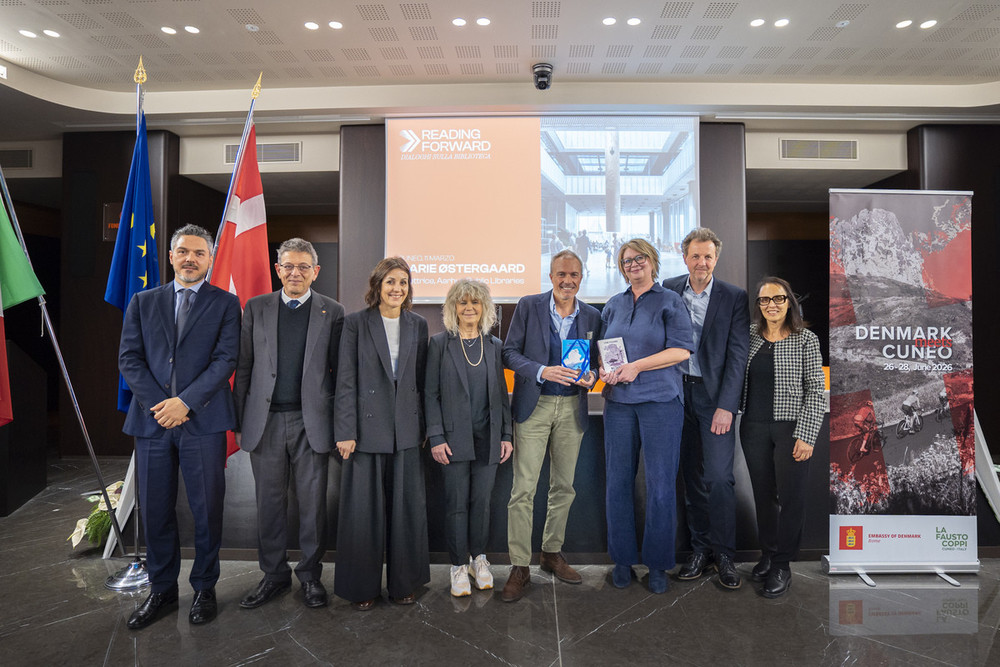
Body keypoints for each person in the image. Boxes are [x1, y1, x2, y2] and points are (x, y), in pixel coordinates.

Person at [118, 224, 240, 629]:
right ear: (171, 256)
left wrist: (185, 403)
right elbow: (130, 359)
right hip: (153, 423)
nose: (191, 259)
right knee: (154, 511)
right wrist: (162, 406)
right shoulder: (142, 300)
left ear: (210, 259)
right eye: (184, 251)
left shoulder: (225, 303)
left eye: (199, 253)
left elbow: (225, 361)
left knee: (207, 510)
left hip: (202, 421)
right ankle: (162, 590)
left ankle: (205, 588)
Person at [234, 238, 345, 610]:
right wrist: (239, 420)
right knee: (269, 504)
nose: (295, 273)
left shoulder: (333, 311)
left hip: (311, 422)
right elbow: (244, 367)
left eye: (303, 267)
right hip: (264, 422)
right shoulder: (256, 307)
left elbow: (339, 373)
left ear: (316, 271)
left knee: (313, 506)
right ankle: (274, 575)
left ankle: (311, 577)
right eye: (288, 266)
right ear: (277, 269)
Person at [500, 249, 601, 602]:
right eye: (561, 274)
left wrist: (592, 375)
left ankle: (551, 553)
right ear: (551, 275)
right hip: (534, 406)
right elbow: (509, 353)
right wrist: (542, 370)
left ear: (581, 278)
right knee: (523, 490)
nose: (567, 281)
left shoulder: (591, 315)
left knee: (564, 487)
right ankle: (519, 565)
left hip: (572, 406)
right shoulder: (529, 306)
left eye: (573, 275)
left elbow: (597, 364)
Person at [334, 257, 429, 610]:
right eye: (390, 281)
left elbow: (421, 381)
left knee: (407, 512)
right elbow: (345, 379)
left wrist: (423, 426)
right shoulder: (356, 323)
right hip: (364, 432)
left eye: (403, 282)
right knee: (364, 514)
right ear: (378, 286)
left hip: (405, 430)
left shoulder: (417, 325)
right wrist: (345, 430)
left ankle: (405, 584)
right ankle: (363, 588)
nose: (397, 288)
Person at [599, 239, 694, 594]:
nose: (633, 264)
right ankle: (622, 559)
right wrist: (606, 370)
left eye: (639, 258)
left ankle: (657, 564)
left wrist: (636, 366)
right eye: (626, 261)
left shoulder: (670, 301)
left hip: (661, 402)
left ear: (652, 262)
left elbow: (681, 350)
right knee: (617, 483)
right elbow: (606, 353)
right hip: (619, 404)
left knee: (659, 486)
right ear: (621, 267)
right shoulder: (613, 305)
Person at [663, 228, 749, 590]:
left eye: (708, 257)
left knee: (718, 478)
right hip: (674, 396)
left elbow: (737, 355)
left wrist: (727, 406)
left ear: (716, 258)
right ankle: (699, 550)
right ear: (685, 257)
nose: (702, 263)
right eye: (695, 256)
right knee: (691, 478)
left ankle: (725, 555)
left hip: (714, 401)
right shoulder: (668, 289)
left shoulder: (734, 297)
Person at [425, 279, 513, 597]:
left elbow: (502, 397)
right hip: (452, 439)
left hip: (488, 438)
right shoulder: (438, 344)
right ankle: (458, 566)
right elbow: (430, 394)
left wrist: (506, 434)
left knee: (482, 504)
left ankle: (479, 560)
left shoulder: (495, 346)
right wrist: (435, 436)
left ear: (484, 307)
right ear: (453, 307)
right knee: (457, 505)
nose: (469, 308)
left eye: (475, 302)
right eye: (462, 303)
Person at [740, 277, 825, 598]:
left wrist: (806, 435)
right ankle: (768, 554)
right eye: (764, 300)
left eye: (778, 298)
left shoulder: (806, 339)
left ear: (789, 301)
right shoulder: (749, 336)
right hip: (753, 427)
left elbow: (816, 390)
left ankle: (783, 565)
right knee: (763, 497)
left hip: (791, 429)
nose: (771, 305)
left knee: (791, 499)